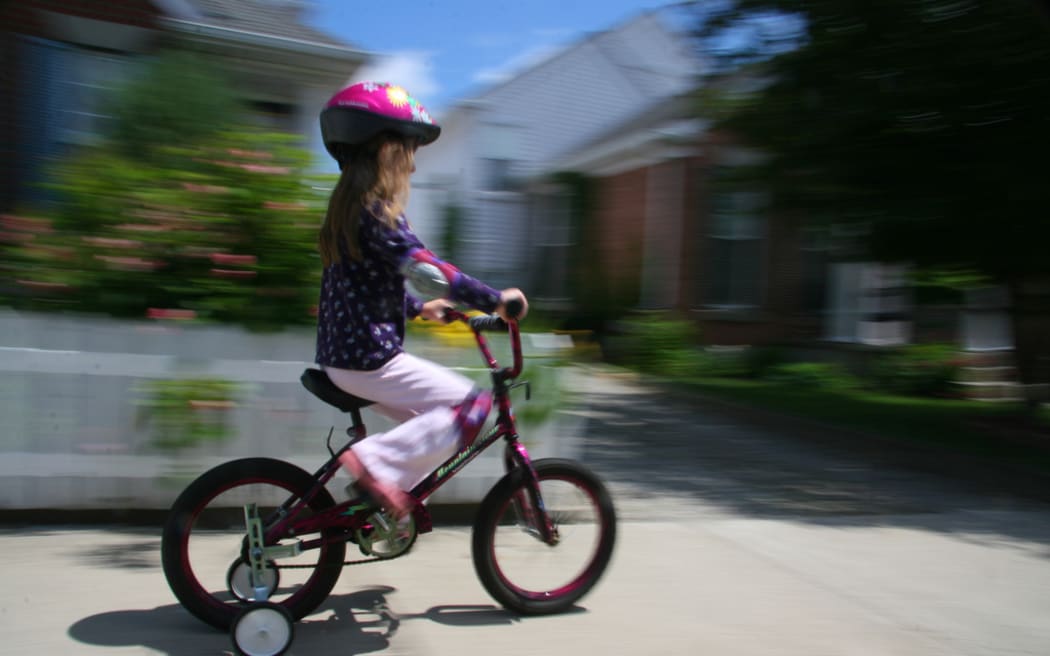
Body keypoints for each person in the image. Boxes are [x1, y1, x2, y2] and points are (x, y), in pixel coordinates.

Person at [315, 81, 528, 518]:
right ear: (389, 151)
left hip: (341, 358)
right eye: (410, 154)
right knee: (473, 405)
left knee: (431, 423)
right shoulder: (378, 211)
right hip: (370, 360)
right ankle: (374, 462)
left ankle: (381, 506)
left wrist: (417, 308)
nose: (412, 169)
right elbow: (428, 270)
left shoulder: (349, 211)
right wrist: (495, 301)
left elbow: (362, 287)